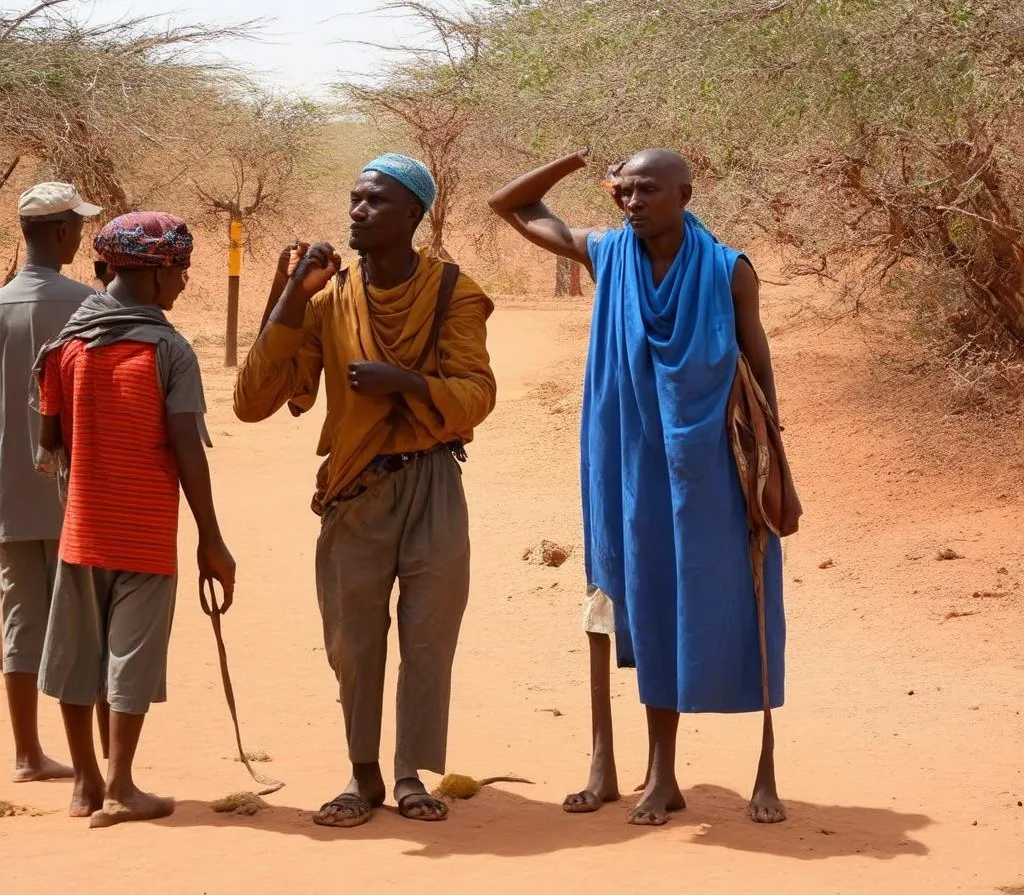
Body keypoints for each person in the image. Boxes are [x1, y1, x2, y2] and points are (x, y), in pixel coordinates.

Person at [488, 149, 788, 826]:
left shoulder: (729, 270)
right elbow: (508, 205)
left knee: (740, 593)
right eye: (622, 191)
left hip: (710, 463)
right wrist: (571, 162)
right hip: (623, 458)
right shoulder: (606, 254)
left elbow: (761, 366)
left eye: (647, 190)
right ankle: (650, 771)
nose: (631, 203)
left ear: (685, 193)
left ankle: (764, 769)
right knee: (634, 596)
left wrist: (775, 464)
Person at [234, 153, 496, 828]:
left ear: (413, 213)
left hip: (432, 480)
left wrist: (406, 384)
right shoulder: (327, 298)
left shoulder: (453, 294)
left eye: (374, 201)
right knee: (354, 640)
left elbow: (476, 395)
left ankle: (410, 774)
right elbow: (254, 399)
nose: (357, 212)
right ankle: (363, 774)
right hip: (355, 489)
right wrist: (294, 291)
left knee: (428, 634)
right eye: (354, 199)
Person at [32, 211, 236, 825]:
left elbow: (51, 439)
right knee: (129, 660)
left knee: (77, 655)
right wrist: (212, 539)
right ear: (154, 273)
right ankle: (121, 785)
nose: (182, 285)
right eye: (180, 272)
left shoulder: (66, 347)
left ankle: (85, 787)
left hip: (83, 528)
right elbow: (185, 448)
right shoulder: (168, 348)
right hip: (146, 533)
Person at [0, 182, 100, 785]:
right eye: (78, 226)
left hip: (10, 495)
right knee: (80, 623)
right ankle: (93, 764)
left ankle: (27, 753)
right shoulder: (88, 307)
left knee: (20, 619)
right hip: (76, 492)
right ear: (61, 232)